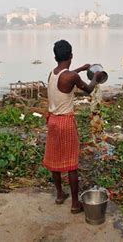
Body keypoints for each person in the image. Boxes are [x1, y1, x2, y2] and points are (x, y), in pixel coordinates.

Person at [43, 40, 103, 213]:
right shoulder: (71, 77)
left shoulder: (52, 73)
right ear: (71, 56)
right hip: (66, 122)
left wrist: (81, 68)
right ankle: (76, 204)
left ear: (55, 57)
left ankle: (60, 194)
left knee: (55, 159)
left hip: (53, 121)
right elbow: (88, 89)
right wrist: (96, 78)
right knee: (71, 164)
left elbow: (67, 75)